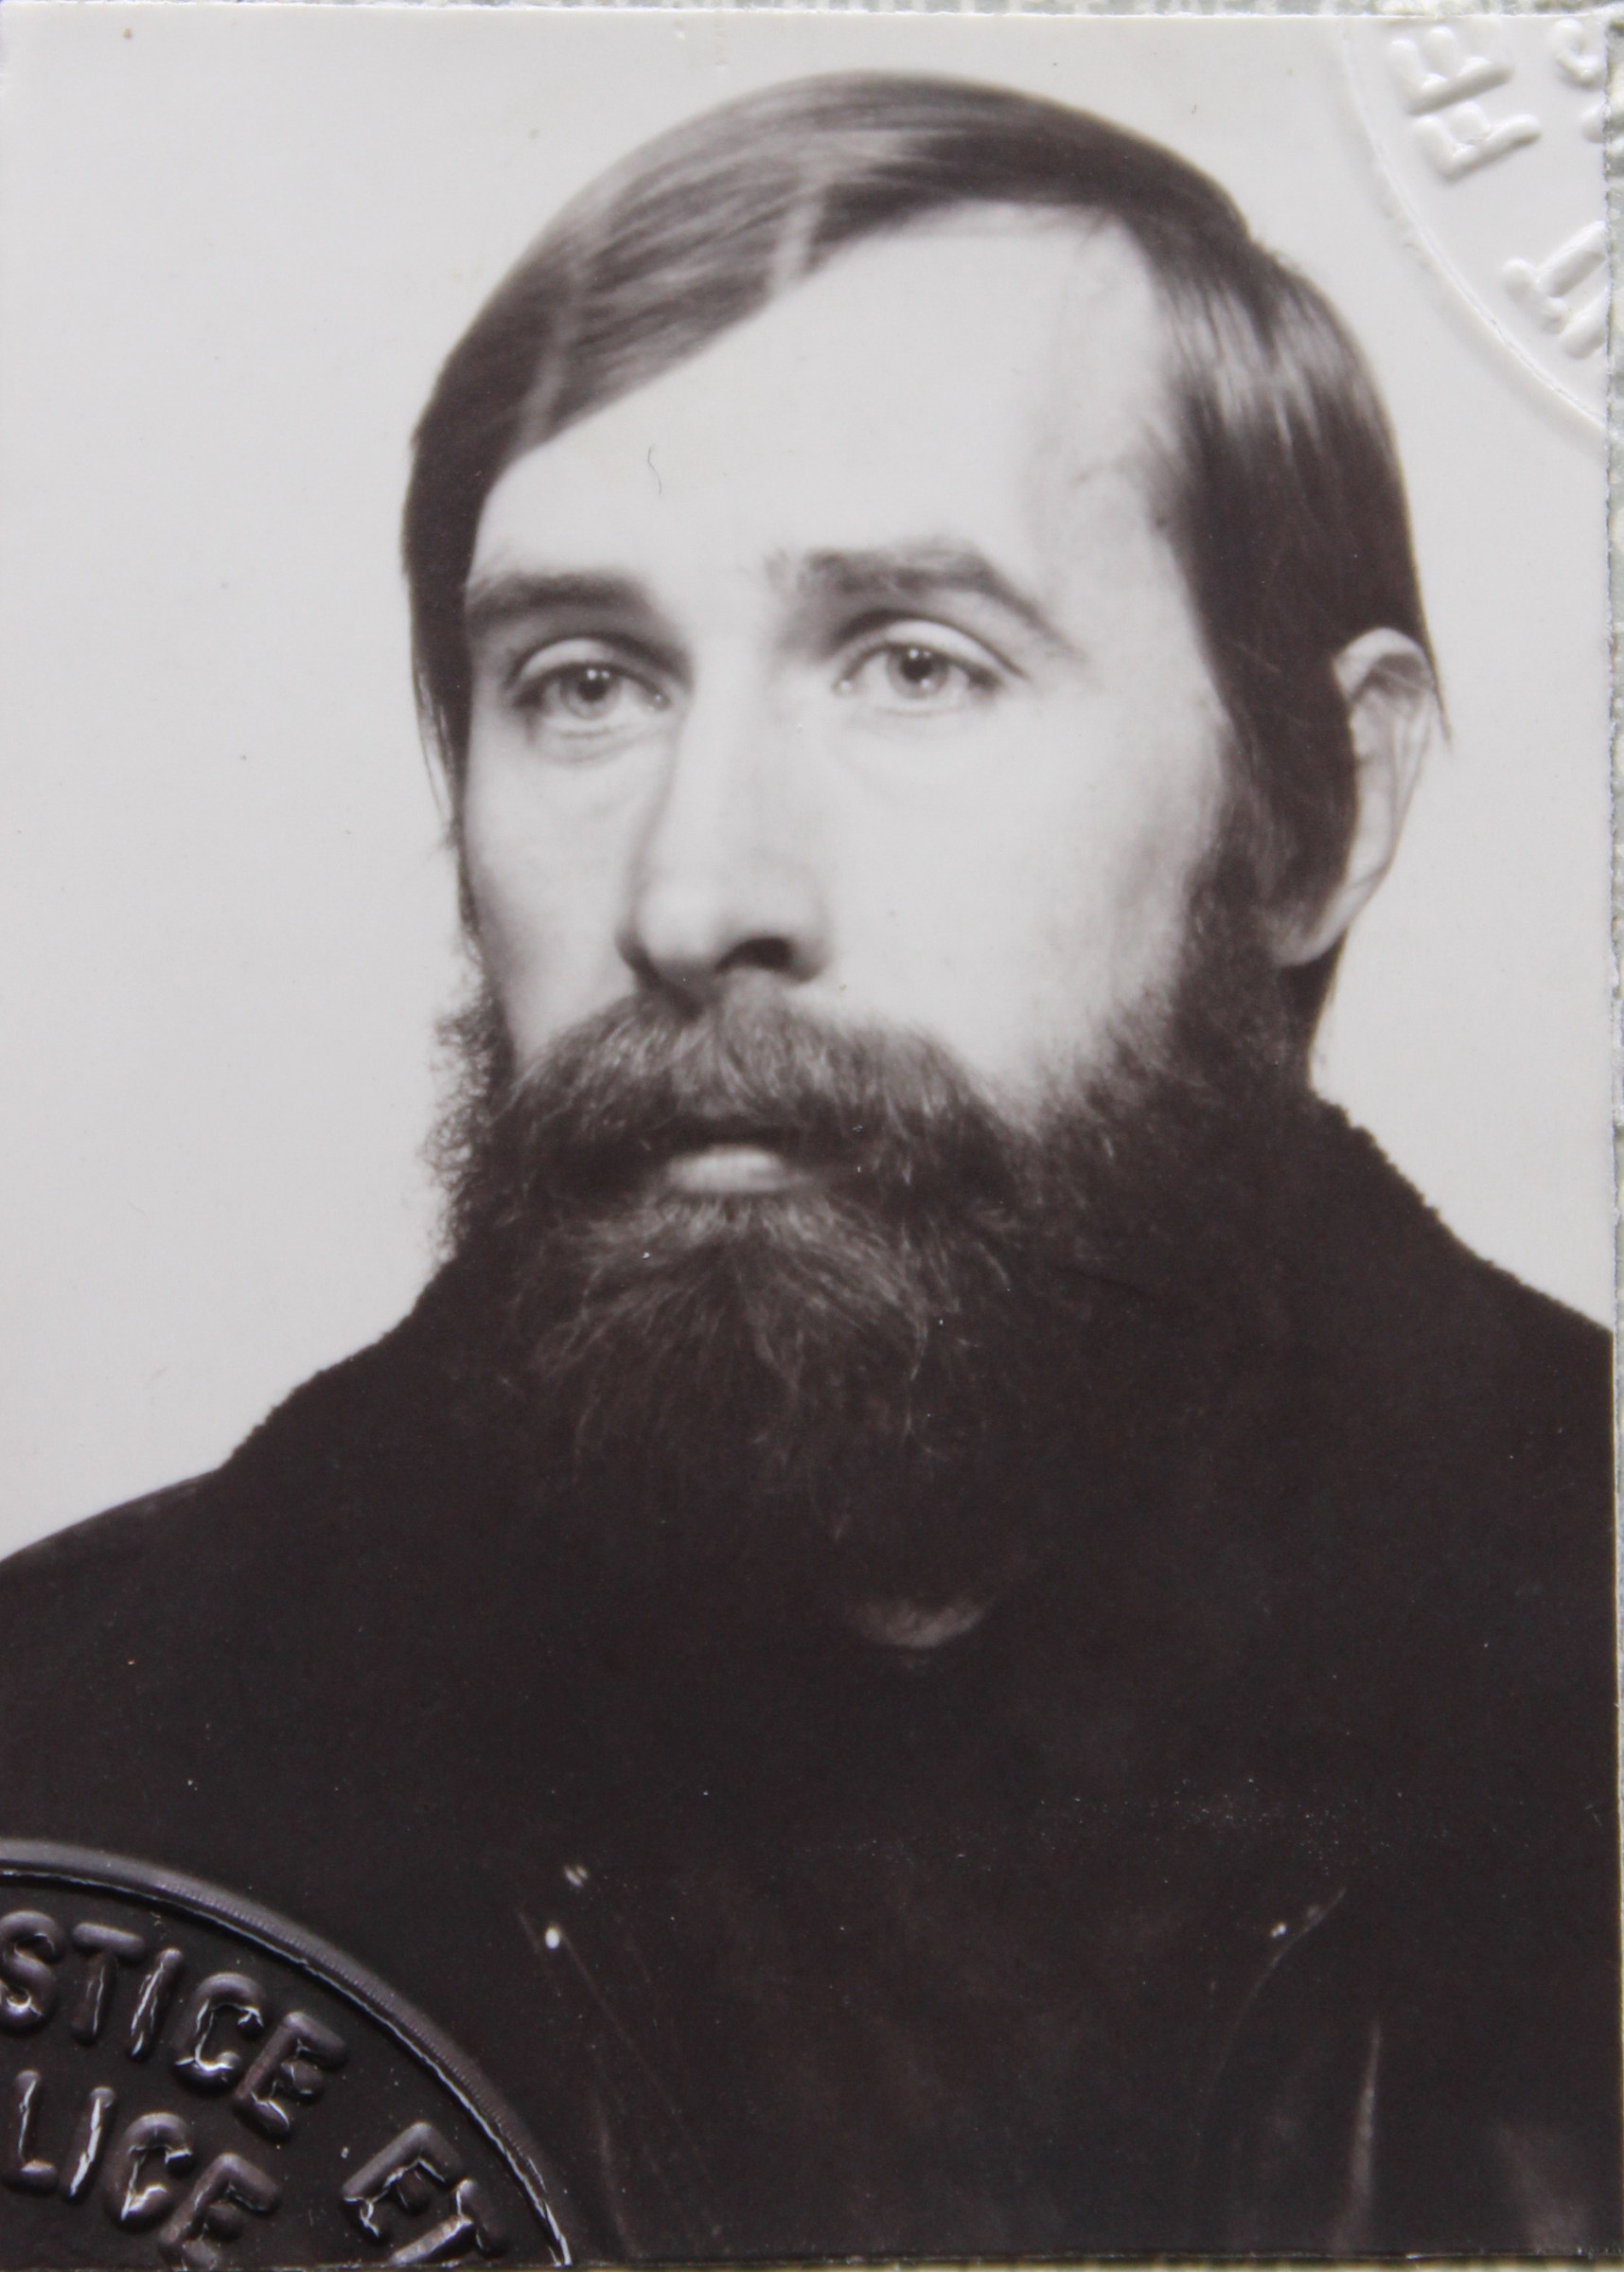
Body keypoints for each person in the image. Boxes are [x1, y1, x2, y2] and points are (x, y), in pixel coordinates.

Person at [0, 72, 1615, 2260]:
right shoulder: (73, 1765)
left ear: (1318, 810)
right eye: (585, 684)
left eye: (915, 665)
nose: (695, 894)